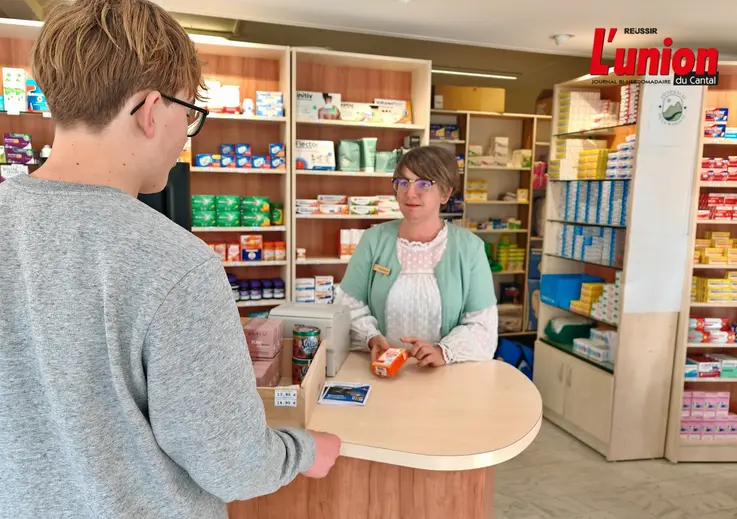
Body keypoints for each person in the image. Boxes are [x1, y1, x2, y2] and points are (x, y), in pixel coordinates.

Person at [0, 1, 340, 518]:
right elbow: (233, 464)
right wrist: (307, 451)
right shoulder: (173, 263)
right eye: (190, 114)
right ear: (151, 109)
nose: (186, 133)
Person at [336, 146, 499, 368]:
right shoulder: (373, 240)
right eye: (403, 182)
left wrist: (443, 351)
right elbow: (347, 306)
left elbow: (483, 325)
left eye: (424, 183)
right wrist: (371, 337)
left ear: (445, 193)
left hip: (446, 375)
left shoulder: (470, 249)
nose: (410, 193)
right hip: (383, 371)